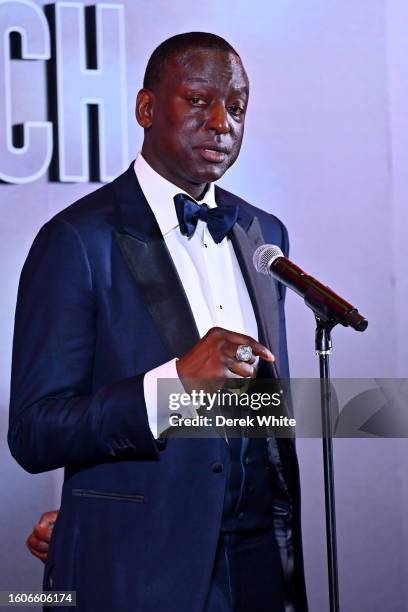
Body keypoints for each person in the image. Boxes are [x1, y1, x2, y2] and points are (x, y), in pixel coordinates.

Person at [9, 32, 307, 612]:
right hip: (143, 569)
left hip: (263, 566)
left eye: (237, 107)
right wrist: (170, 389)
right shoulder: (75, 240)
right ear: (147, 108)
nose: (222, 122)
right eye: (199, 100)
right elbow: (35, 430)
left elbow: (264, 412)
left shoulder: (264, 234)